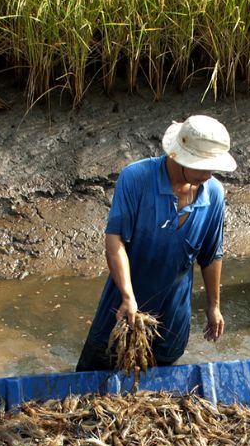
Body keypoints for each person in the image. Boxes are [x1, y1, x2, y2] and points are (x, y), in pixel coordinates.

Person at [76, 115, 235, 372]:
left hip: (173, 314)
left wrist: (213, 306)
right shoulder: (136, 178)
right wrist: (128, 296)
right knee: (97, 372)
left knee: (158, 388)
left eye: (213, 168)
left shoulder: (214, 193)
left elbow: (211, 255)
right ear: (179, 157)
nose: (209, 175)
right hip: (121, 307)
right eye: (203, 167)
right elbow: (115, 240)